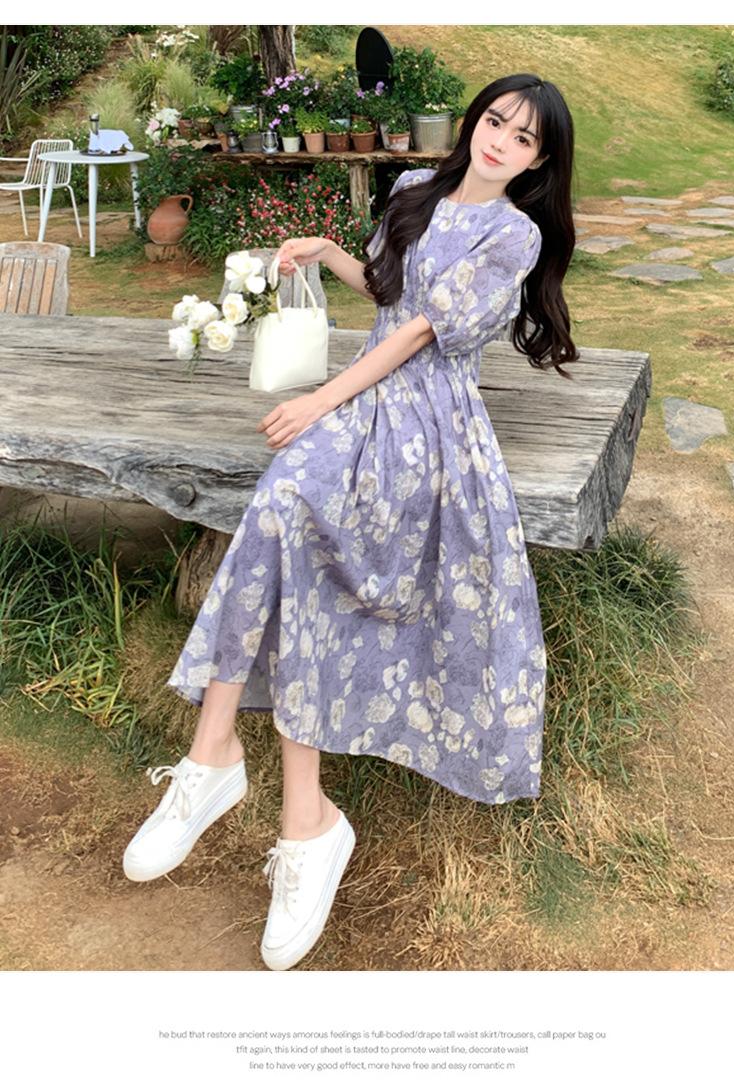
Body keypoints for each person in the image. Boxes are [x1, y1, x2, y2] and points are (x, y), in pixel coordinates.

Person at [122, 73, 579, 972]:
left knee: (303, 510)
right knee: (283, 508)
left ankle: (289, 810)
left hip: (430, 423)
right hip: (366, 400)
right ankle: (228, 766)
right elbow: (386, 294)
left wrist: (321, 400)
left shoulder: (513, 234)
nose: (500, 142)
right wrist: (326, 248)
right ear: (474, 123)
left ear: (538, 162)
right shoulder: (412, 188)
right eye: (495, 121)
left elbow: (418, 334)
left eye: (523, 139)